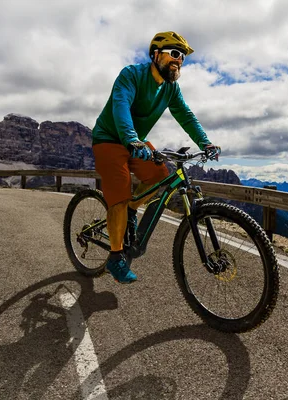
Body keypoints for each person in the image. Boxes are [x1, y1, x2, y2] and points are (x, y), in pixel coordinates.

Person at [92, 31, 221, 283]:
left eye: (182, 57)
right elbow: (121, 105)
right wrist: (131, 138)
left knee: (161, 175)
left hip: (135, 142)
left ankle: (131, 207)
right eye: (174, 54)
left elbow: (185, 115)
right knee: (119, 189)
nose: (179, 60)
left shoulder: (171, 88)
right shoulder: (131, 75)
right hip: (109, 138)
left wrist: (205, 141)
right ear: (155, 54)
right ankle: (116, 257)